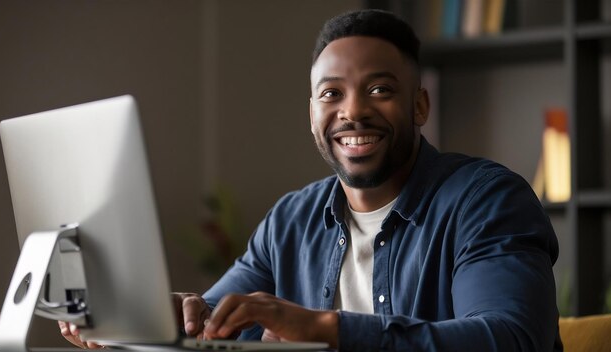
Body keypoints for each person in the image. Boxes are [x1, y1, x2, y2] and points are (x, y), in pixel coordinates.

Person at [61, 9, 562, 351]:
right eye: (331, 94)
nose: (353, 111)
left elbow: (511, 338)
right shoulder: (291, 221)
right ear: (311, 112)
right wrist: (167, 320)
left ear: (419, 105)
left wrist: (324, 328)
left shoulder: (487, 200)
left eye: (380, 89)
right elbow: (217, 318)